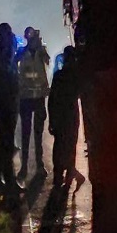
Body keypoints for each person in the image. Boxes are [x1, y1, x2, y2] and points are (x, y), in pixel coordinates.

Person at [0, 22, 22, 192]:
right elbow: (2, 79)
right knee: (5, 140)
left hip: (9, 101)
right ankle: (4, 178)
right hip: (3, 103)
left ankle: (1, 176)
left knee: (5, 140)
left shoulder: (7, 52)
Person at [49, 45, 86, 190]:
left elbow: (52, 99)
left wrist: (52, 119)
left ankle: (60, 176)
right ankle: (70, 175)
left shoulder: (59, 76)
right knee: (70, 146)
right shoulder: (76, 76)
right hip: (70, 115)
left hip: (60, 115)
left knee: (59, 147)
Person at [17, 27, 51, 180]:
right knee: (25, 134)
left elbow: (47, 61)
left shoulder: (41, 52)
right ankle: (24, 166)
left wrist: (40, 48)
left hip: (38, 98)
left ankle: (39, 164)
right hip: (26, 97)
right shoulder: (22, 53)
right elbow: (17, 67)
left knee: (38, 133)